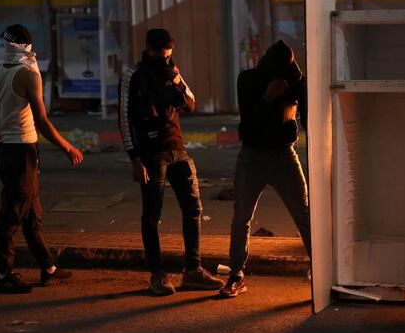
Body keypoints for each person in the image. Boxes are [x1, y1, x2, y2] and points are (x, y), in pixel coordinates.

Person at [0, 24, 82, 293]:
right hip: (22, 153)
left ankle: (48, 268)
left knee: (32, 215)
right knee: (11, 217)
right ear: (27, 46)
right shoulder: (28, 75)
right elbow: (41, 121)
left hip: (5, 151)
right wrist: (67, 147)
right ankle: (3, 274)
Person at [119, 28, 224, 295]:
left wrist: (177, 81)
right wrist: (135, 159)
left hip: (177, 149)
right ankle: (157, 274)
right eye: (160, 53)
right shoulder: (134, 75)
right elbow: (125, 119)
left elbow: (191, 103)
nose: (164, 57)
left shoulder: (172, 71)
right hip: (151, 155)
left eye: (168, 53)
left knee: (193, 209)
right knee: (152, 215)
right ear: (149, 49)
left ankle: (193, 271)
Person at [220, 40, 311, 298]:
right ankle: (236, 274)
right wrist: (268, 97)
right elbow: (248, 125)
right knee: (241, 218)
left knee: (303, 215)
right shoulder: (248, 80)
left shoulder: (294, 80)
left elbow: (308, 121)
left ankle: (322, 270)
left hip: (284, 154)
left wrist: (301, 96)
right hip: (253, 156)